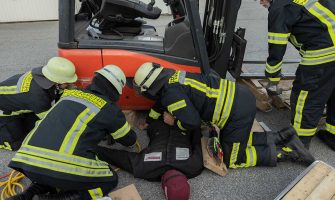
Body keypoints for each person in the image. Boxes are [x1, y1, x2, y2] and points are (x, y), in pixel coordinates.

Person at [132, 62, 315, 169]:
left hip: (236, 113)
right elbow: (161, 102)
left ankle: (288, 153)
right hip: (239, 96)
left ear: (151, 87)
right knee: (236, 140)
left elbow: (192, 122)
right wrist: (149, 120)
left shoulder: (171, 94)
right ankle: (284, 135)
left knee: (233, 158)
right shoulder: (173, 78)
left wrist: (173, 122)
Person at [7, 65, 138, 200]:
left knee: (50, 174)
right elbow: (129, 141)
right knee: (109, 180)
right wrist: (124, 124)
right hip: (59, 166)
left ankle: (27, 195)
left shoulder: (69, 94)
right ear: (116, 90)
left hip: (27, 161)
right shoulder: (109, 108)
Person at [260, 0, 335, 150]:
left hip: (323, 52)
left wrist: (273, 79)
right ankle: (333, 135)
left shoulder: (280, 7)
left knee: (306, 99)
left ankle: (297, 146)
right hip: (330, 46)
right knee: (333, 92)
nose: (261, 3)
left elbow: (277, 46)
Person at [0, 57, 78, 151]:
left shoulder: (44, 74)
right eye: (68, 82)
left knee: (32, 130)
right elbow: (49, 120)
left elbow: (58, 94)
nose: (71, 83)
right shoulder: (37, 95)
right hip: (4, 111)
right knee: (15, 144)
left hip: (20, 104)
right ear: (58, 81)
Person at [96, 119, 203, 181]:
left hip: (160, 123)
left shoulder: (145, 168)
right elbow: (197, 141)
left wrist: (92, 149)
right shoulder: (193, 167)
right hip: (183, 123)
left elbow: (117, 157)